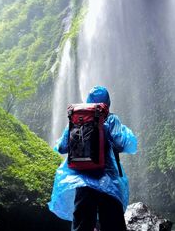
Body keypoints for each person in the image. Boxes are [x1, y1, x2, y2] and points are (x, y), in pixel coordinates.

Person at [48, 86, 138, 231]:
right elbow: (123, 144)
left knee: (82, 225)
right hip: (108, 182)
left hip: (83, 180)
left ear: (88, 101)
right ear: (107, 103)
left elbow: (62, 147)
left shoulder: (77, 119)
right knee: (113, 225)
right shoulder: (111, 119)